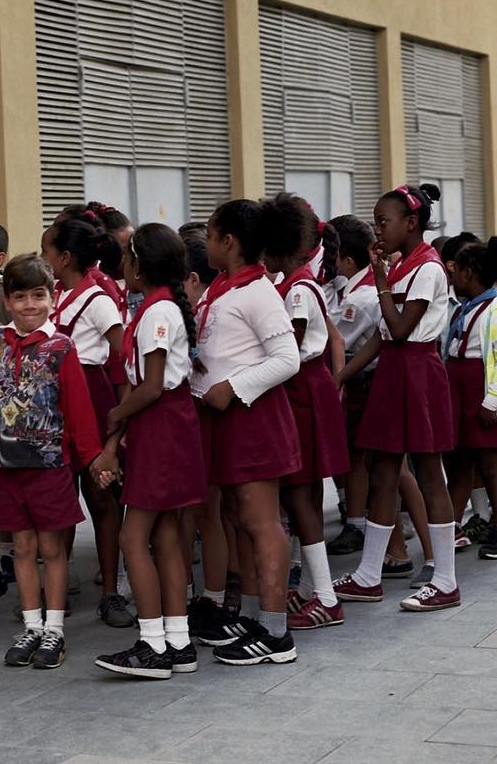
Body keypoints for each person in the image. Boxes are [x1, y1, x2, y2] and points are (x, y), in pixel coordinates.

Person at [334, 184, 461, 612]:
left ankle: (445, 579)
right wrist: (342, 376)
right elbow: (381, 339)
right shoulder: (402, 265)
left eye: (383, 222)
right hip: (393, 368)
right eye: (374, 222)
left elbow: (402, 328)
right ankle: (370, 575)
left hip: (419, 370)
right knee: (382, 469)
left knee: (428, 471)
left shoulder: (427, 267)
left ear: (411, 223)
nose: (377, 231)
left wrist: (382, 281)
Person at [0, 255, 114, 670]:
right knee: (21, 547)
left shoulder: (62, 347)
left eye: (37, 296)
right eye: (19, 296)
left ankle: (54, 630)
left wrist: (93, 457)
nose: (28, 305)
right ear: (7, 301)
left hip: (51, 466)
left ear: (51, 297)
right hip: (7, 467)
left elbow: (78, 408)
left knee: (51, 548)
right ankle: (31, 625)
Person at [189, 199, 301, 665]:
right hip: (227, 418)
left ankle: (276, 634)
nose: (207, 243)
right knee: (241, 518)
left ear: (228, 241)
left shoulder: (257, 291)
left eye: (211, 235)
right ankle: (257, 620)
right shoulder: (223, 287)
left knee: (260, 522)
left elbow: (287, 359)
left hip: (252, 418)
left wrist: (231, 386)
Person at [95, 223, 207, 678]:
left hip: (161, 426)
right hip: (168, 425)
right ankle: (177, 640)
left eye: (126, 256)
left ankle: (152, 643)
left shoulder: (158, 312)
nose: (121, 264)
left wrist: (115, 418)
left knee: (131, 537)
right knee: (164, 536)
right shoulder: (160, 306)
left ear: (139, 263)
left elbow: (153, 385)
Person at [259, 195, 349, 632]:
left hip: (300, 390)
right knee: (305, 495)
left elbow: (287, 350)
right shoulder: (302, 282)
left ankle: (327, 598)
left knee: (299, 494)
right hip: (308, 387)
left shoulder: (296, 288)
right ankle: (314, 587)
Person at [41, 218, 133, 629]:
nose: (43, 258)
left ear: (64, 257)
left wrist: (119, 421)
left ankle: (111, 591)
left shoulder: (98, 299)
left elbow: (124, 355)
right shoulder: (56, 293)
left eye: (47, 251)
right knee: (60, 498)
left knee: (101, 498)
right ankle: (57, 591)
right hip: (54, 400)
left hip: (91, 396)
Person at [445, 238, 497, 560]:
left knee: (491, 466)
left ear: (470, 273)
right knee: (460, 463)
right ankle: (448, 527)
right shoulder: (468, 306)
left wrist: (491, 402)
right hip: (460, 391)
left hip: (484, 395)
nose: (453, 277)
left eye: (458, 271)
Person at [180, 235, 233, 639]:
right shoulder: (202, 306)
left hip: (208, 414)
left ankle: (212, 598)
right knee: (201, 513)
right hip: (197, 416)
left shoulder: (210, 310)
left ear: (193, 279)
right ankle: (200, 596)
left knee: (207, 513)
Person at [326, 215, 379, 559]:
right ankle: (357, 516)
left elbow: (333, 338)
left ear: (346, 259)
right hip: (355, 379)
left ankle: (359, 524)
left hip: (365, 382)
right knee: (353, 456)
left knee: (361, 458)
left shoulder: (360, 298)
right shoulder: (345, 288)